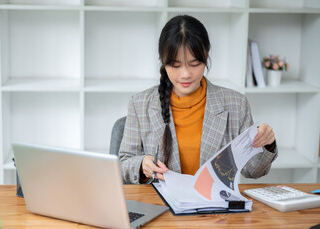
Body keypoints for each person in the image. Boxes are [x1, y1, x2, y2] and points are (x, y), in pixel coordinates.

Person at [119, 15, 277, 184]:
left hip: (216, 205)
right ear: (163, 62)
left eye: (194, 64)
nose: (186, 74)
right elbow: (123, 164)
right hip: (160, 204)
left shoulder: (236, 104)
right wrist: (142, 165)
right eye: (175, 65)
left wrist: (267, 144)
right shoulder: (140, 104)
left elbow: (252, 170)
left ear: (206, 56)